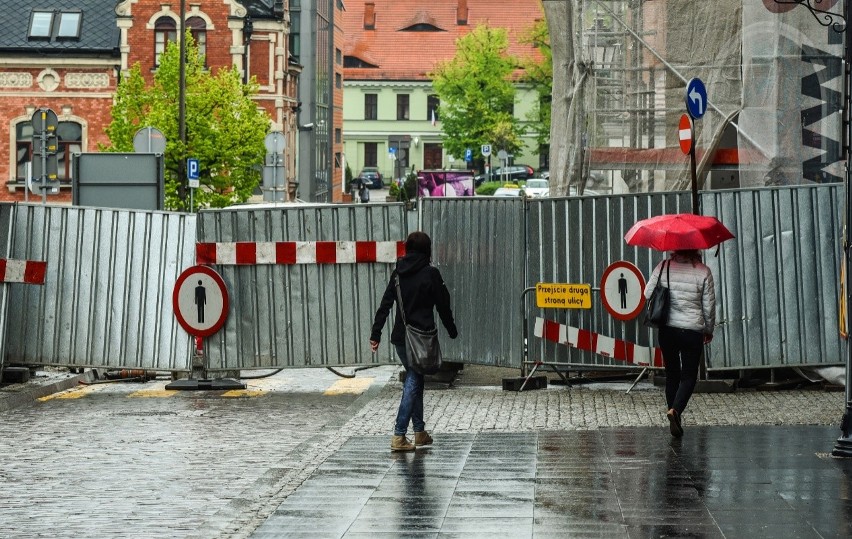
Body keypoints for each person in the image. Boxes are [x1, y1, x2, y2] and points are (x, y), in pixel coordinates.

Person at [370, 231, 458, 451]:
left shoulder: (398, 274)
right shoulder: (431, 274)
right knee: (414, 380)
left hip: (401, 338)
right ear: (427, 250)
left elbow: (385, 305)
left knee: (415, 378)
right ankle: (399, 435)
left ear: (407, 249)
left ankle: (419, 432)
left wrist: (376, 334)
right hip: (421, 338)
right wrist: (451, 329)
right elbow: (443, 305)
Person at [644, 249, 716, 438]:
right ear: (697, 250)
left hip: (667, 329)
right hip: (692, 331)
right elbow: (708, 307)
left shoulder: (663, 266)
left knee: (672, 375)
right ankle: (675, 411)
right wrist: (708, 330)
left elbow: (647, 293)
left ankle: (673, 415)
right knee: (689, 376)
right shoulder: (703, 271)